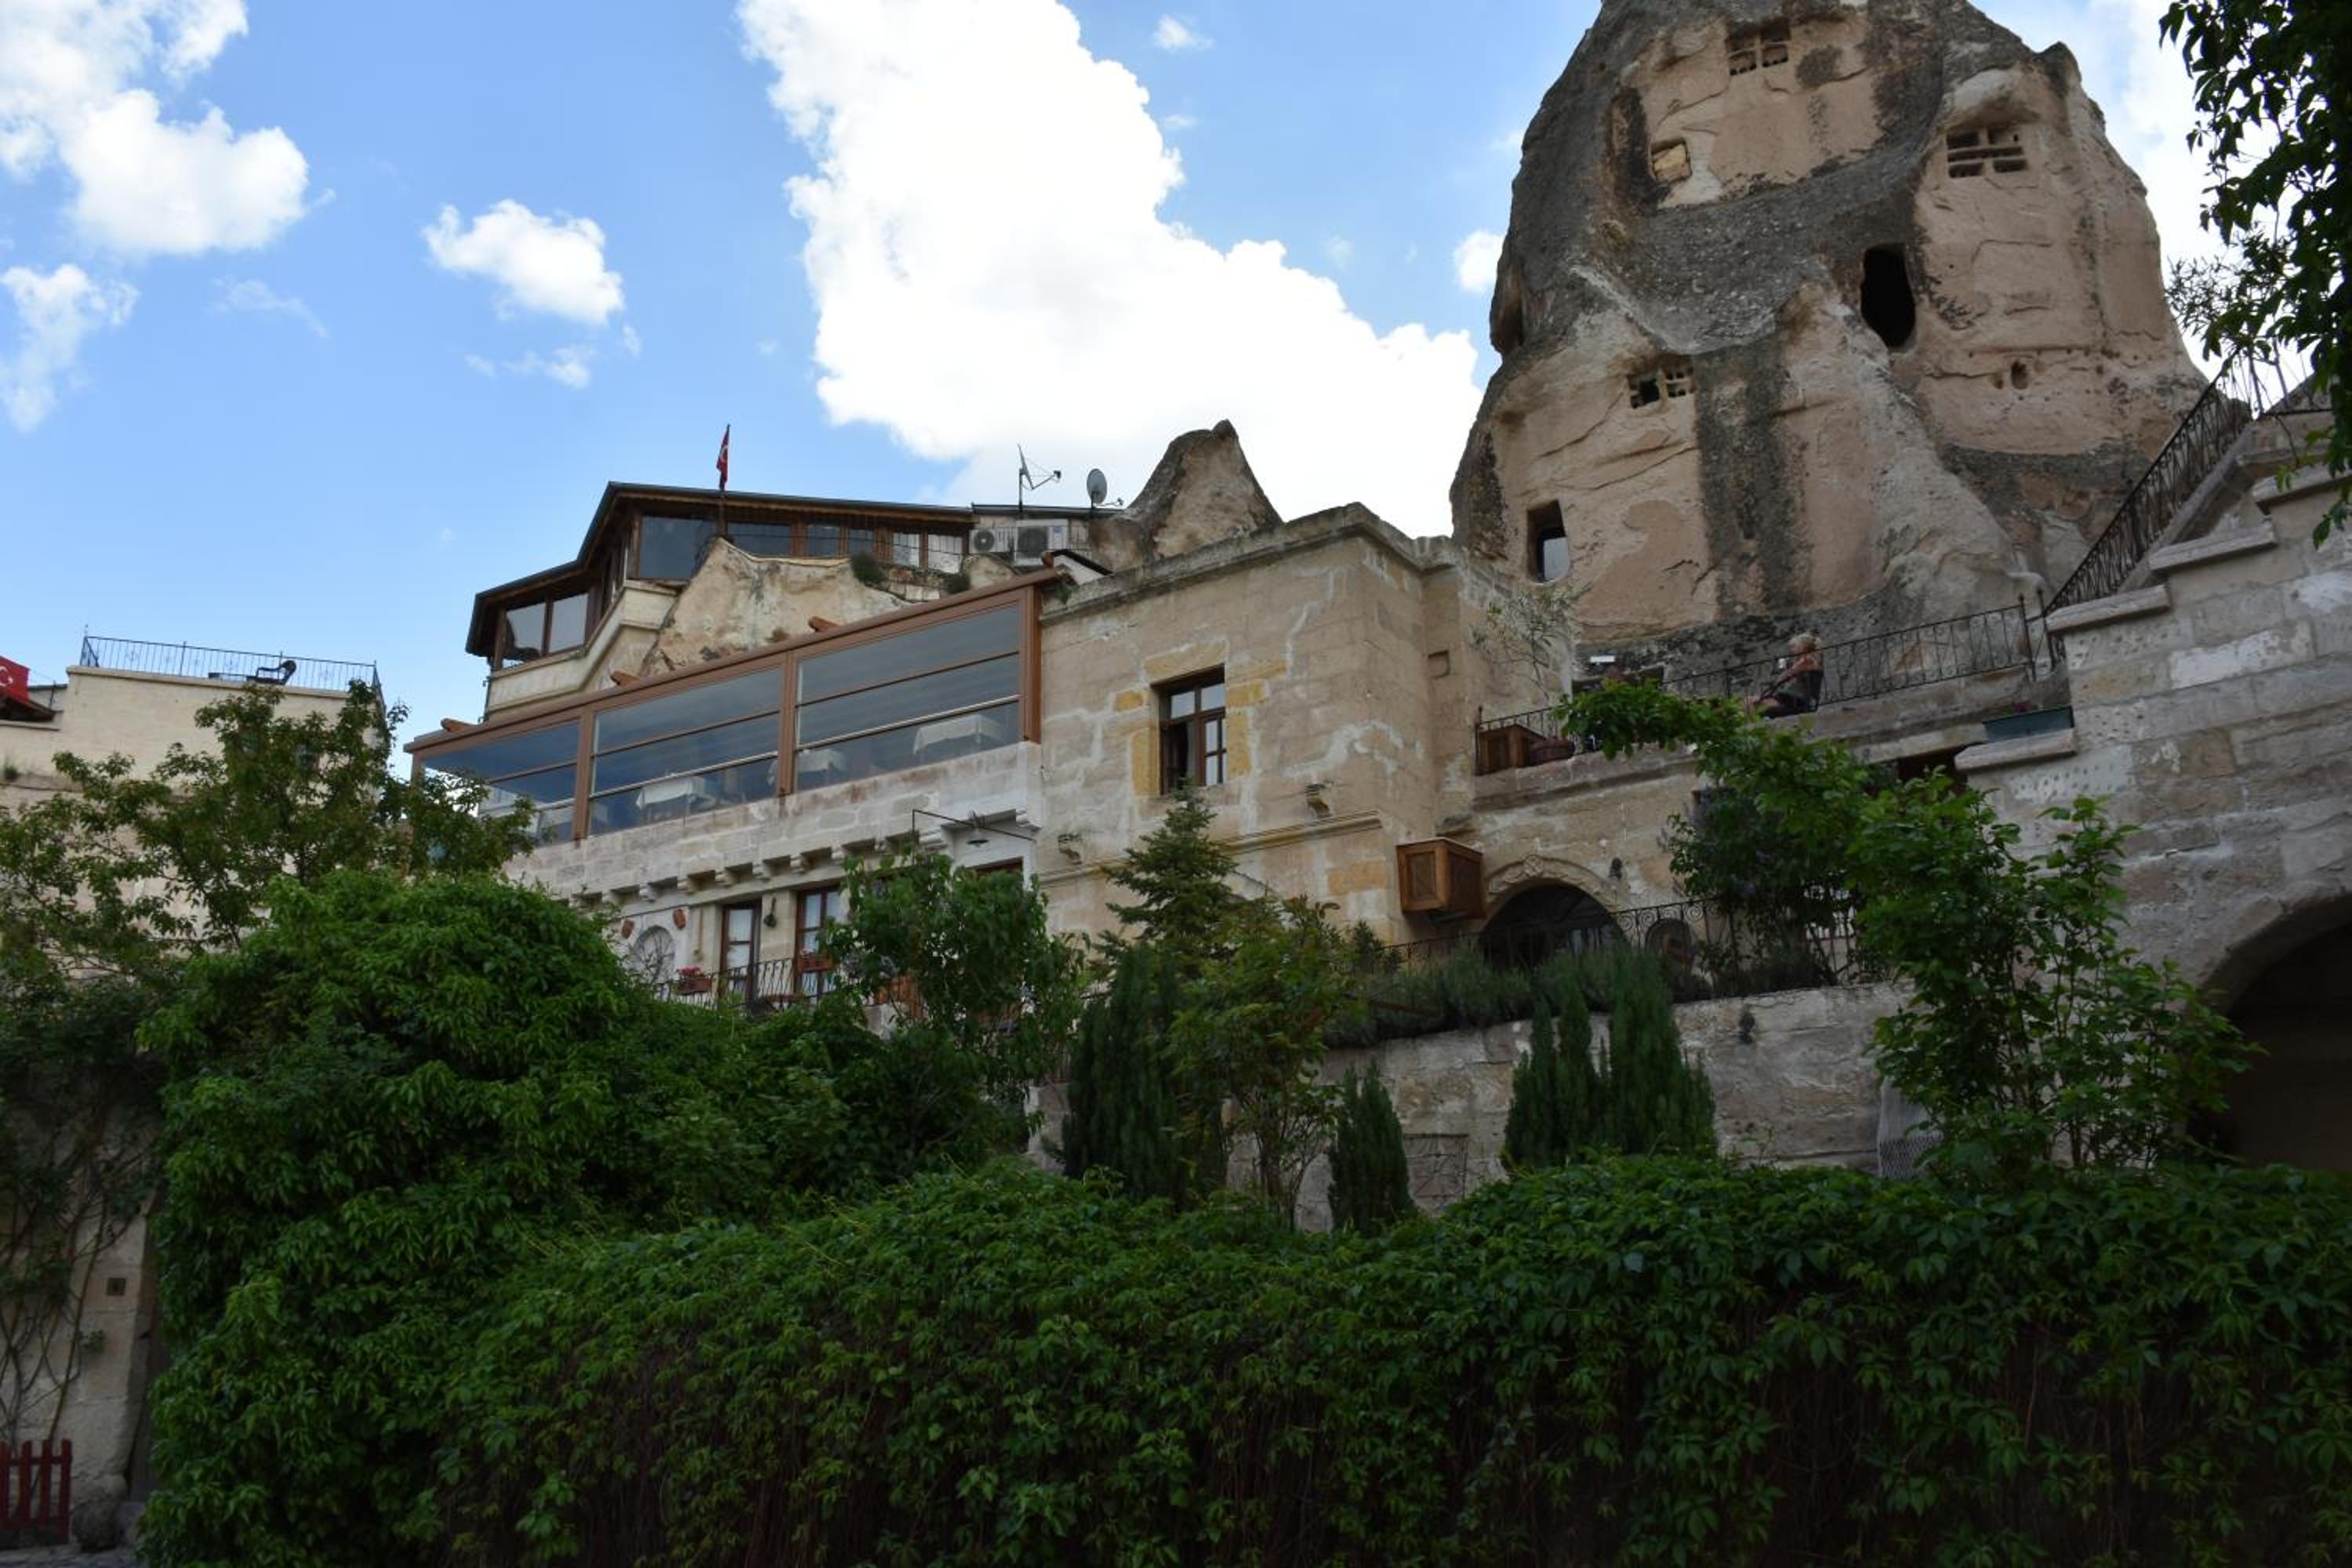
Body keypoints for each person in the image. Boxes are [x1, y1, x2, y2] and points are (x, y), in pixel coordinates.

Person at [1749, 632, 1824, 717]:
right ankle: (1752, 726)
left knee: (1752, 704)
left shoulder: (1808, 660)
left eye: (1794, 646)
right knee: (1749, 701)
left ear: (1803, 647)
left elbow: (1787, 673)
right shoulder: (1801, 659)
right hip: (1790, 697)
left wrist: (1769, 692)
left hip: (1796, 700)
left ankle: (1753, 726)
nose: (1791, 649)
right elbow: (1781, 670)